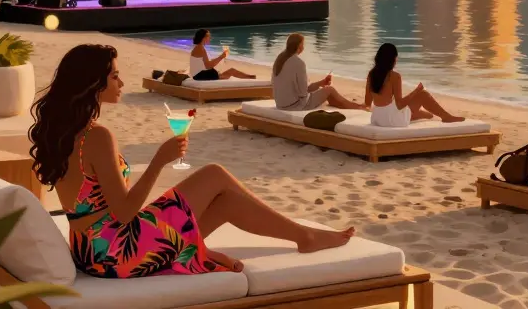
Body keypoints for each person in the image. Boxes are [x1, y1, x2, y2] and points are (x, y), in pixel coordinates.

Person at [28, 44, 354, 279]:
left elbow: (103, 209)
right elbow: (125, 213)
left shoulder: (63, 133)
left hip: (89, 251)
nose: (121, 82)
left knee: (225, 203)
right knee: (213, 174)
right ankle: (304, 237)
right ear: (93, 84)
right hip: (116, 254)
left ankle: (199, 248)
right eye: (114, 76)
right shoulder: (97, 137)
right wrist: (159, 160)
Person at [364, 43, 462, 127]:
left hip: (377, 118)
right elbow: (400, 105)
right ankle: (446, 117)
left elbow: (367, 103)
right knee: (423, 94)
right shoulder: (394, 76)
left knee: (428, 115)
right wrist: (416, 91)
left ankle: (429, 116)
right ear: (392, 59)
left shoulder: (371, 74)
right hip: (390, 119)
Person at [272, 33, 363, 111]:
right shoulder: (299, 63)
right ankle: (357, 107)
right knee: (329, 89)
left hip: (280, 104)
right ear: (299, 46)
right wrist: (317, 89)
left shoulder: (279, 59)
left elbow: (300, 89)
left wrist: (321, 83)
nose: (303, 47)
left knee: (325, 91)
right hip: (295, 106)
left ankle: (348, 106)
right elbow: (303, 93)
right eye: (303, 44)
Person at [187, 29, 255, 81]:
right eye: (209, 37)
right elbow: (208, 66)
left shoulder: (198, 47)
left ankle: (250, 77)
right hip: (201, 76)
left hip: (199, 74)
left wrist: (218, 59)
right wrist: (221, 57)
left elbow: (202, 64)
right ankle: (251, 78)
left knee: (231, 71)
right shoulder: (200, 48)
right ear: (204, 38)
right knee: (231, 72)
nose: (210, 38)